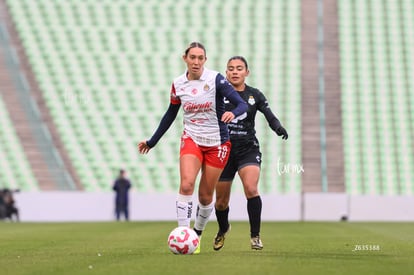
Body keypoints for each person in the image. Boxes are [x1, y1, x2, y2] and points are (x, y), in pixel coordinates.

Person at [137, 42, 248, 253]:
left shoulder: (216, 79)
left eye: (200, 58)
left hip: (217, 143)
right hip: (192, 139)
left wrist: (233, 113)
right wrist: (152, 141)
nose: (196, 61)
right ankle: (183, 234)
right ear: (185, 58)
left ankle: (196, 234)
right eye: (192, 57)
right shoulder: (178, 84)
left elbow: (241, 103)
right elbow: (171, 114)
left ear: (205, 60)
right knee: (187, 184)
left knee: (206, 197)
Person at [213, 56, 288, 251]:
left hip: (248, 149)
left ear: (247, 72)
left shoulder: (255, 95)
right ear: (226, 72)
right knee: (221, 202)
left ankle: (255, 236)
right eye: (230, 69)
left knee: (251, 188)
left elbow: (269, 115)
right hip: (223, 150)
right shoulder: (217, 94)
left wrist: (278, 127)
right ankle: (223, 229)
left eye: (239, 68)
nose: (235, 72)